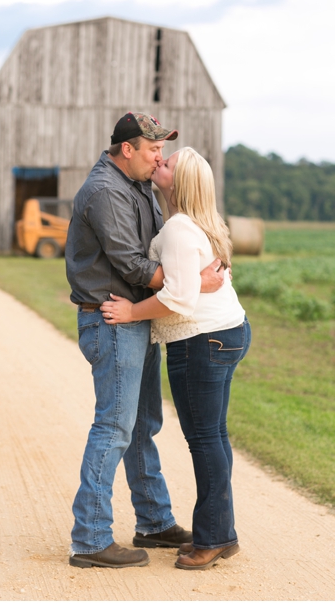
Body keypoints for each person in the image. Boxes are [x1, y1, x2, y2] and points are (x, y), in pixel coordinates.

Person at [66, 114, 224, 569]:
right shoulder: (104, 191)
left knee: (142, 424)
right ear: (127, 149)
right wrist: (192, 284)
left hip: (137, 319)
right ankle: (90, 538)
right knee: (114, 426)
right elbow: (134, 265)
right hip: (112, 320)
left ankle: (154, 522)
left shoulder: (135, 184)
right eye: (153, 149)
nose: (159, 158)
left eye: (162, 151)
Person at [101, 146, 250, 571]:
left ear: (179, 181)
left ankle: (214, 537)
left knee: (205, 440)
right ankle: (219, 531)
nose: (158, 163)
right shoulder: (197, 224)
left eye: (167, 163)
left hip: (202, 340)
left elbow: (180, 298)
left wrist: (131, 312)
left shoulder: (181, 229)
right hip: (225, 333)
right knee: (214, 438)